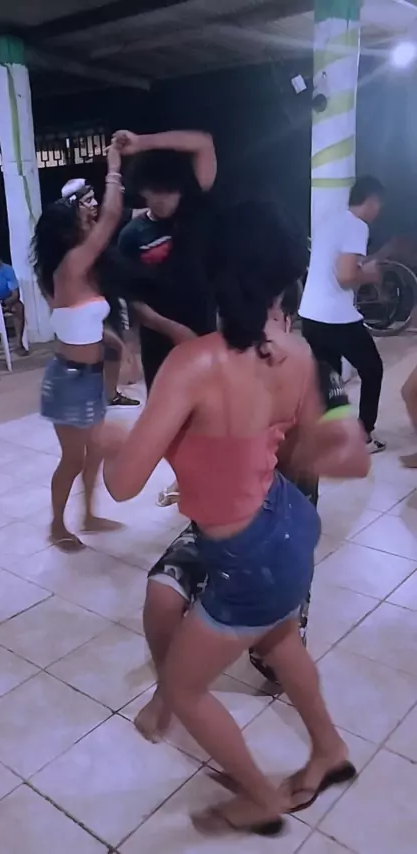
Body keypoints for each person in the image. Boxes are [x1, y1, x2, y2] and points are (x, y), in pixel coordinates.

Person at [102, 199, 369, 835]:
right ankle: (329, 749)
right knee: (280, 639)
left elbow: (121, 484)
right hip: (289, 524)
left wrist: (114, 440)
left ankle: (260, 798)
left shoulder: (194, 365)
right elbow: (320, 448)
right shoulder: (298, 354)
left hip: (247, 554)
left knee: (185, 688)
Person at [138, 281, 361, 733]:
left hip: (277, 528)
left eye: (268, 317)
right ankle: (169, 691)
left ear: (286, 319)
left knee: (274, 661)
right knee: (161, 594)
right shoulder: (217, 369)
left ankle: (324, 744)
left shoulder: (314, 371)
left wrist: (292, 438)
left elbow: (347, 450)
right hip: (222, 524)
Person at [32, 143, 127, 552]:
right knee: (73, 459)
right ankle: (57, 525)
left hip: (89, 378)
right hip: (68, 380)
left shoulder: (81, 269)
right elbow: (112, 216)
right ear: (66, 231)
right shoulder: (71, 265)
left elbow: (77, 322)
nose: (90, 214)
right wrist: (114, 167)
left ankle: (88, 515)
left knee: (95, 452)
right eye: (82, 212)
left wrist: (113, 340)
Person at [116, 129, 217, 504]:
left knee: (211, 413)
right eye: (153, 192)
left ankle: (212, 477)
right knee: (168, 420)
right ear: (142, 191)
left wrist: (141, 143)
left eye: (168, 191)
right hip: (160, 341)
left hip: (206, 335)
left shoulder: (195, 210)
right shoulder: (132, 235)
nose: (162, 200)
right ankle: (185, 478)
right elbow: (133, 301)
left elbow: (203, 143)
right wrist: (171, 329)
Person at [299, 176, 386, 454]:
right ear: (371, 201)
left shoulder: (331, 221)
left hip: (311, 315)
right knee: (372, 369)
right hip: (335, 318)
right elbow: (346, 276)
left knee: (330, 377)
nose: (379, 211)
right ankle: (363, 436)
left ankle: (331, 436)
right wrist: (369, 275)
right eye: (379, 205)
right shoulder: (357, 226)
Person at [61, 178, 141, 408]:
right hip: (83, 299)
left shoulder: (102, 224)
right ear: (76, 205)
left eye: (94, 198)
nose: (94, 203)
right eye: (88, 201)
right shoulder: (67, 235)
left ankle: (111, 394)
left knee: (114, 345)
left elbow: (135, 214)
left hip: (108, 292)